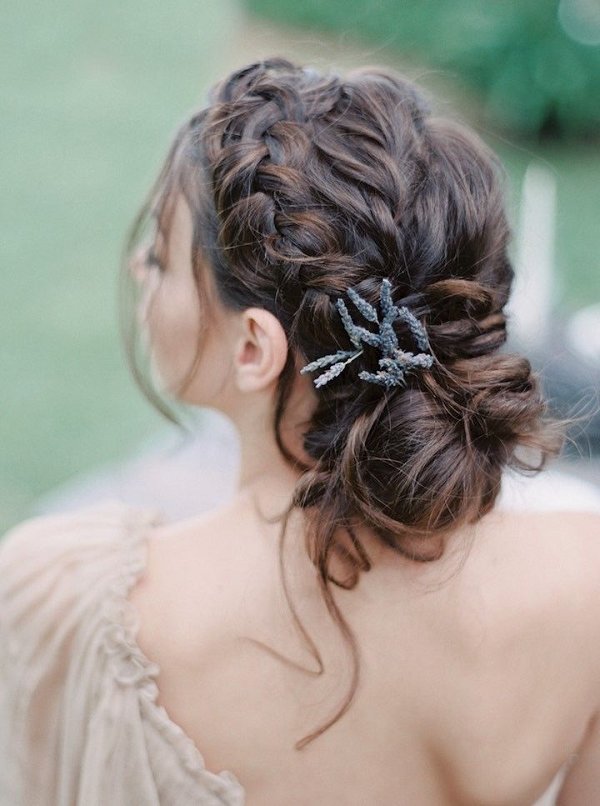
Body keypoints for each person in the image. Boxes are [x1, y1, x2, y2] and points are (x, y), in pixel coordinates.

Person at [0, 57, 599, 806]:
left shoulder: (71, 604)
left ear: (256, 348)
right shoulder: (588, 583)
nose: (137, 264)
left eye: (160, 253)